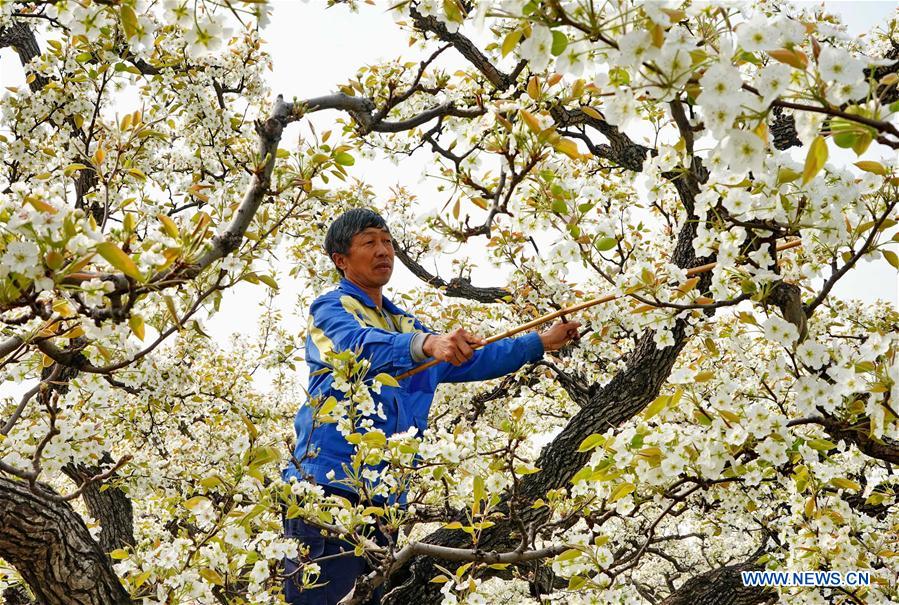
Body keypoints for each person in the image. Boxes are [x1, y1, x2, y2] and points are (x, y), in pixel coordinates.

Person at [281, 208, 580, 604]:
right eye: (369, 242)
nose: (383, 250)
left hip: (386, 499)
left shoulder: (403, 322)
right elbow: (357, 344)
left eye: (387, 241)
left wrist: (539, 341)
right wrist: (427, 345)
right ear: (341, 260)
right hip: (329, 482)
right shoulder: (331, 309)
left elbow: (474, 360)